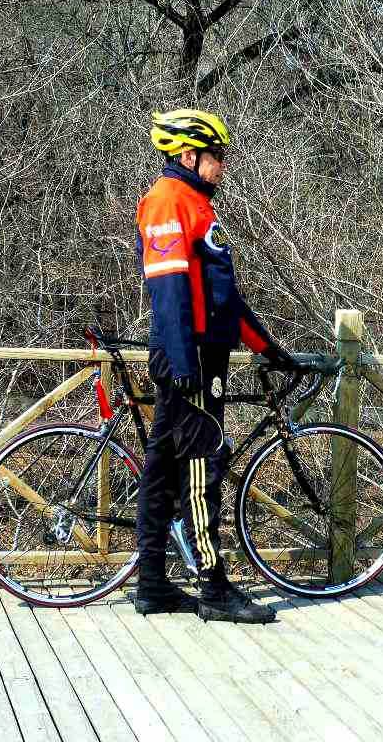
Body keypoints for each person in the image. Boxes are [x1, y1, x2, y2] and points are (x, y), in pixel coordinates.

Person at [133, 108, 298, 623]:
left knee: (162, 468)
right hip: (192, 357)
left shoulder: (197, 203)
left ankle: (152, 584)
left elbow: (223, 297)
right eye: (216, 155)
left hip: (203, 351)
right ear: (188, 156)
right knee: (202, 465)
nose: (222, 164)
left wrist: (267, 348)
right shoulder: (168, 201)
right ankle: (213, 587)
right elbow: (168, 290)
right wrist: (185, 362)